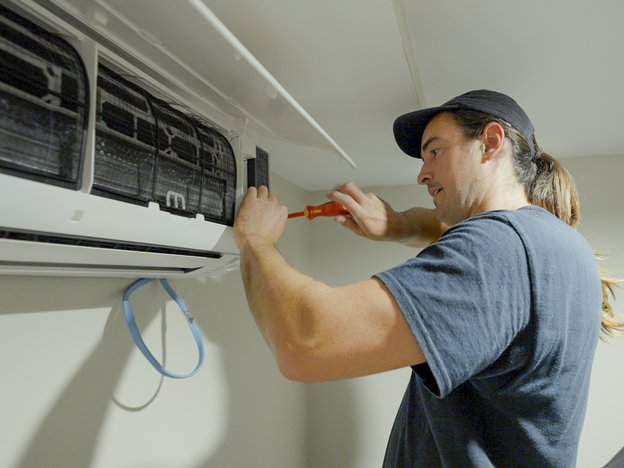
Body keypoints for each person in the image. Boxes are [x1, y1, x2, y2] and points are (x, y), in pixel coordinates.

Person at [233, 89, 622, 467]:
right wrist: (398, 225)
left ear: (490, 142)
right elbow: (447, 232)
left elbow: (304, 343)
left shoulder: (496, 248)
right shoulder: (558, 244)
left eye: (435, 151)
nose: (422, 173)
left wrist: (255, 240)